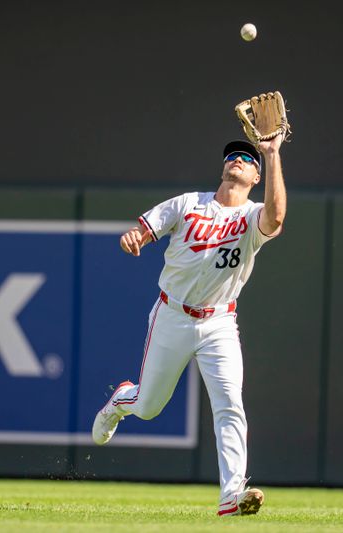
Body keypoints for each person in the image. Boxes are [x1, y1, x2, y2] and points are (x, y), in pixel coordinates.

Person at [92, 133, 286, 517]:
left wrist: (273, 153)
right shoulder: (189, 203)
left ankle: (232, 494)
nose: (238, 160)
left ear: (257, 177)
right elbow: (145, 231)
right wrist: (134, 238)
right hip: (173, 315)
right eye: (233, 155)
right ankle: (120, 401)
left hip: (219, 322)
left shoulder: (251, 216)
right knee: (148, 406)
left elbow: (277, 217)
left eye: (248, 160)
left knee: (230, 403)